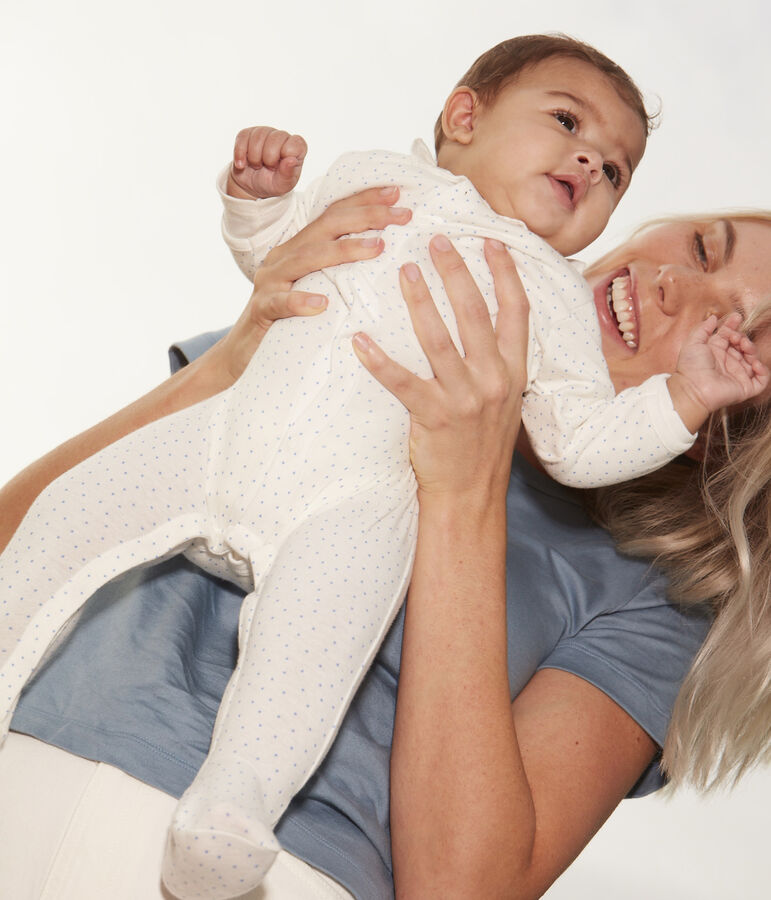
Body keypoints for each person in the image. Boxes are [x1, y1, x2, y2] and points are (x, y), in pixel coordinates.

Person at [1, 36, 767, 898]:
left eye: (737, 333)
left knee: (317, 621)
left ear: (720, 424)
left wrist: (463, 493)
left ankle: (233, 807)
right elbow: (17, 534)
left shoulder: (648, 600)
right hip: (25, 765)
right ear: (463, 119)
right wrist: (239, 350)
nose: (678, 290)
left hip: (277, 872)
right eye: (702, 247)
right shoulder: (326, 322)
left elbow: (461, 887)